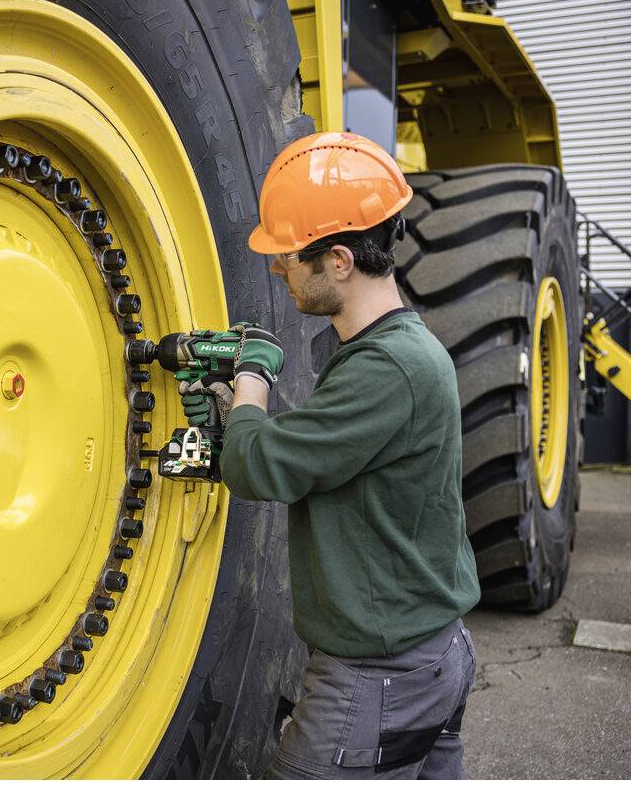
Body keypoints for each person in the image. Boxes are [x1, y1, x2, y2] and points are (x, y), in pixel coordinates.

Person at [180, 132, 481, 779]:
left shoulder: (388, 369)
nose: (275, 266)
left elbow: (261, 468)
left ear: (339, 260)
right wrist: (245, 420)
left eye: (288, 253)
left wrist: (253, 375)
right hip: (427, 656)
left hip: (380, 677)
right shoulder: (395, 349)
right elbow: (327, 450)